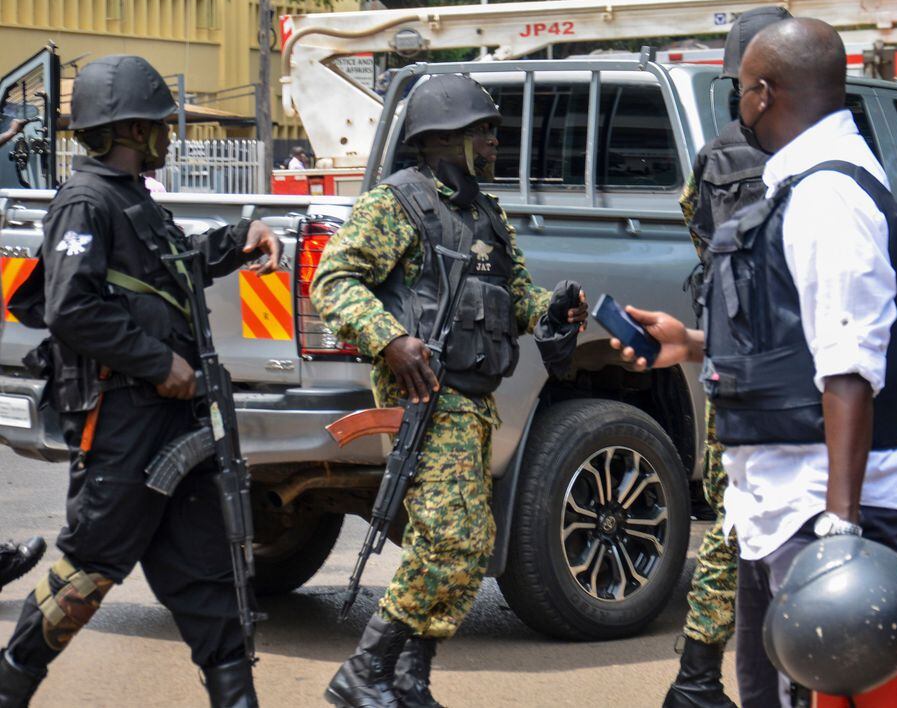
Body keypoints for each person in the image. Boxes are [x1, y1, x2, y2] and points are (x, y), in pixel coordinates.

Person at [614, 18, 897, 708]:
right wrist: (693, 343)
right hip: (780, 503)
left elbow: (848, 364)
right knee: (764, 694)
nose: (739, 106)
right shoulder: (801, 185)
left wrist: (840, 532)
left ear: (762, 92)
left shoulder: (830, 194)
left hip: (817, 509)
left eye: (740, 91)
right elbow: (802, 335)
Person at [0, 55, 281, 708]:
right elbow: (73, 307)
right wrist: (160, 363)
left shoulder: (135, 203)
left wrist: (242, 238)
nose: (169, 134)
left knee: (212, 581)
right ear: (129, 129)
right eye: (160, 124)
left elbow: (173, 270)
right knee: (88, 572)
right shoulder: (86, 201)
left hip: (176, 427)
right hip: (123, 424)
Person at [312, 74, 587, 708]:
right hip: (427, 398)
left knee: (469, 547)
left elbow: (515, 299)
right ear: (441, 139)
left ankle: (409, 678)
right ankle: (365, 669)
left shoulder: (486, 215)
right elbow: (334, 281)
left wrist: (555, 309)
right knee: (448, 541)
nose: (494, 142)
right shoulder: (397, 204)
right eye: (481, 132)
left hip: (474, 399)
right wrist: (390, 340)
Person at [668, 5, 789, 708]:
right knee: (757, 528)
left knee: (736, 519)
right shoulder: (810, 157)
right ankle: (704, 681)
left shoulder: (714, 160)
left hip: (729, 364)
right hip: (790, 374)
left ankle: (698, 678)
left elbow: (700, 240)